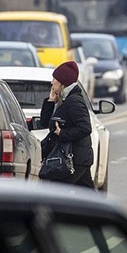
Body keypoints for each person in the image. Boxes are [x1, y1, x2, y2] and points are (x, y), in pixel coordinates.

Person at [38, 61, 94, 189]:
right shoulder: (64, 99)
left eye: (55, 79)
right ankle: (100, 209)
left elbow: (85, 128)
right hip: (78, 158)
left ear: (63, 82)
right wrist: (50, 101)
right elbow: (44, 122)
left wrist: (63, 134)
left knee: (57, 193)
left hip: (74, 159)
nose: (52, 82)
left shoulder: (73, 101)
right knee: (88, 196)